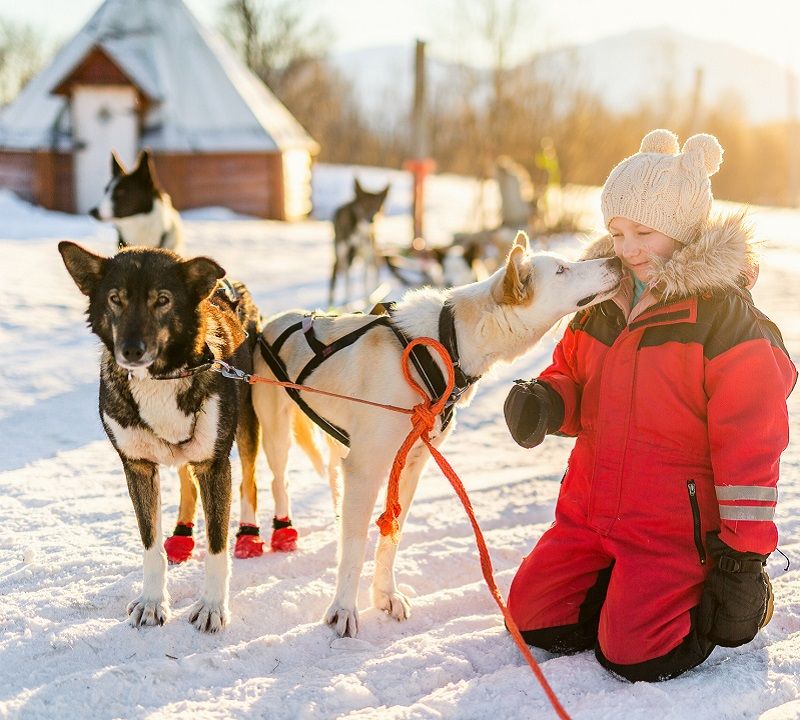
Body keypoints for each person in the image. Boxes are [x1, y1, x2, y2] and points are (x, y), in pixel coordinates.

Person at [503, 129, 797, 682]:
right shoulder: (602, 302)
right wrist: (547, 399)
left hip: (670, 527)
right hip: (590, 511)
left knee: (636, 655)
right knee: (533, 617)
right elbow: (572, 373)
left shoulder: (726, 326)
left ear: (683, 232)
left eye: (643, 232)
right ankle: (623, 589)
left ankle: (692, 596)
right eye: (617, 232)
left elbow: (750, 453)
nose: (627, 248)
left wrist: (743, 559)